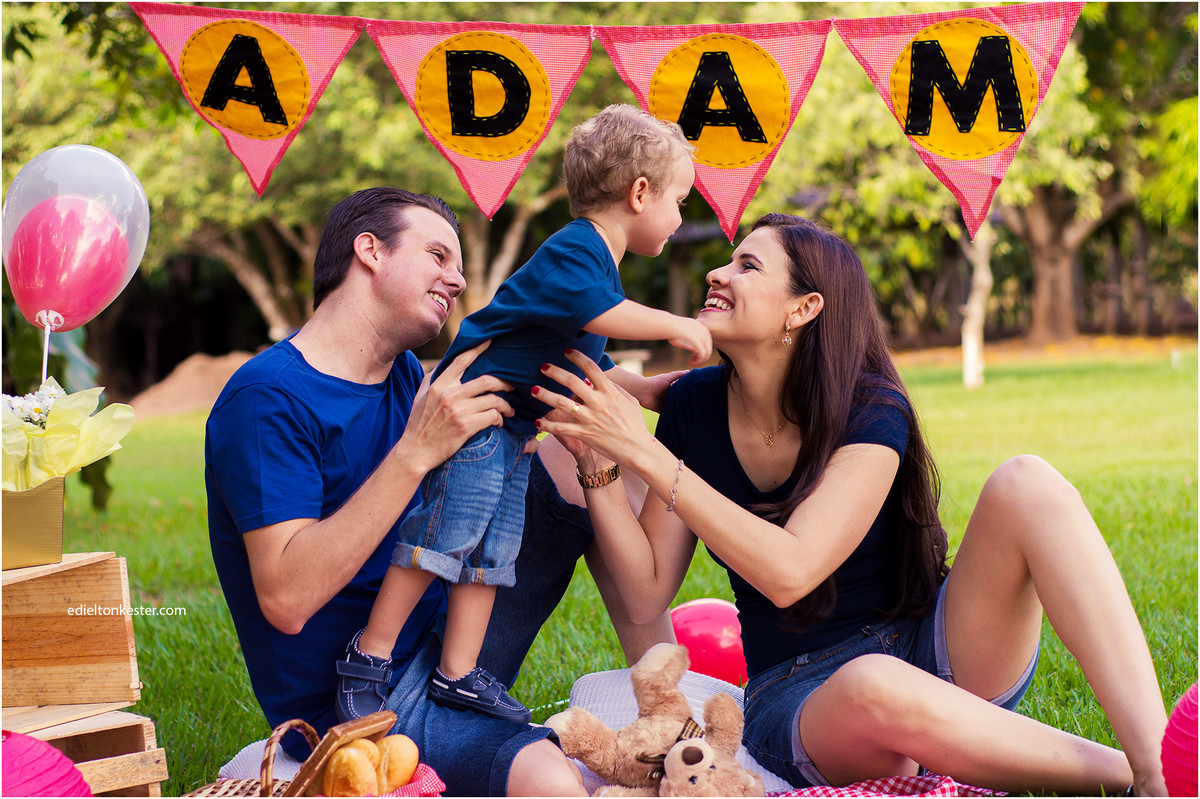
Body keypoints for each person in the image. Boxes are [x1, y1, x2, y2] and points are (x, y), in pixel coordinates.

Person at [534, 213, 1170, 796]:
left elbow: (793, 568)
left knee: (1027, 482)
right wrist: (604, 467)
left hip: (936, 642)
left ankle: (1160, 766)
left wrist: (651, 458)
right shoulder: (694, 407)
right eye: (729, 260)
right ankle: (1125, 776)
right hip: (807, 695)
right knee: (873, 683)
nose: (717, 273)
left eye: (748, 266)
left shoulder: (870, 403)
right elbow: (646, 594)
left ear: (804, 309)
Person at [206, 186, 666, 797]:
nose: (455, 280)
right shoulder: (267, 399)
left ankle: (668, 701)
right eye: (437, 256)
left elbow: (545, 359)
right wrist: (414, 453)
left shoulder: (403, 375)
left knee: (585, 449)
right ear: (369, 251)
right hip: (365, 701)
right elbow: (287, 600)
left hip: (452, 642)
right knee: (547, 780)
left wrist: (659, 393)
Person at [334, 104, 709, 725]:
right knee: (444, 538)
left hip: (512, 432)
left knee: (493, 552)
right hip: (475, 419)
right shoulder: (578, 252)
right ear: (640, 193)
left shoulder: (596, 270)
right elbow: (599, 318)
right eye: (679, 200)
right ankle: (369, 655)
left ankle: (459, 673)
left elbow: (585, 357)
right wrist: (675, 324)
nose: (680, 216)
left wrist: (643, 389)